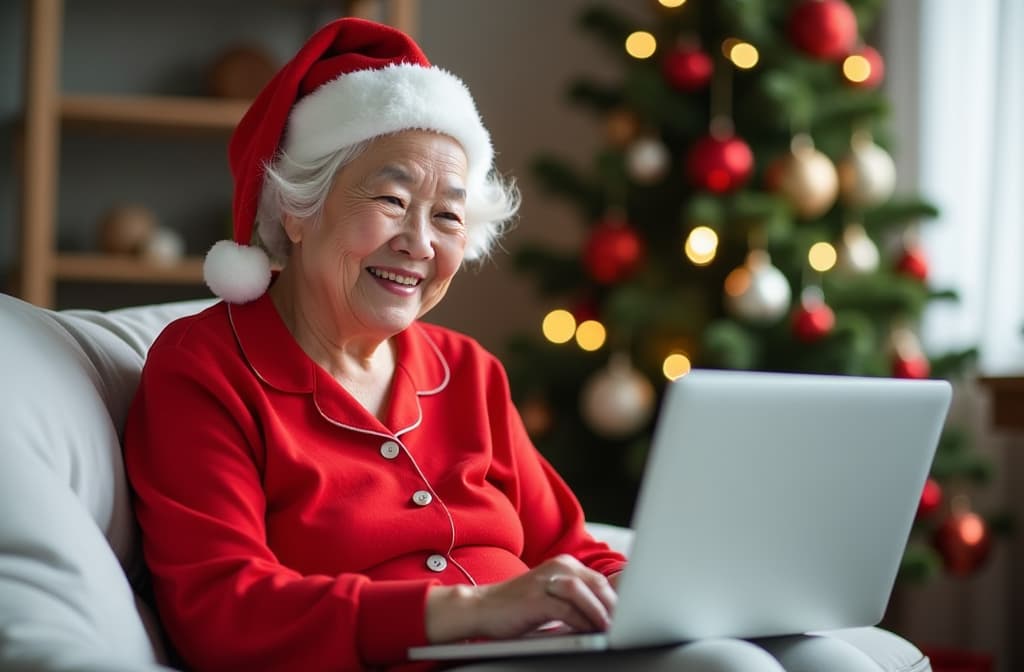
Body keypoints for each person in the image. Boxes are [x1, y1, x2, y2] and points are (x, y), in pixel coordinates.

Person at [125, 17, 889, 672]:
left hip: (542, 650)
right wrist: (465, 610)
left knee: (829, 659)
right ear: (296, 208)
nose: (419, 243)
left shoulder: (464, 370)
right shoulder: (206, 365)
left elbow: (566, 545)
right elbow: (220, 608)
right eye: (391, 200)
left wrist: (665, 595)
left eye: (449, 217)